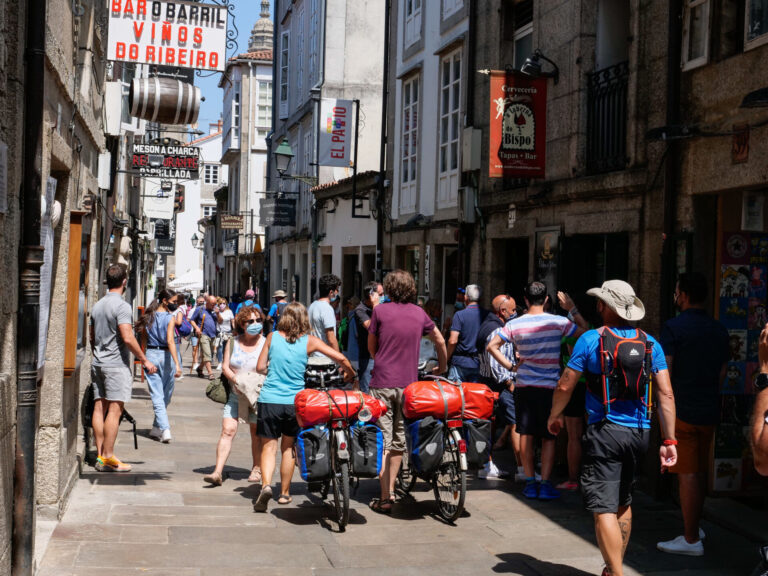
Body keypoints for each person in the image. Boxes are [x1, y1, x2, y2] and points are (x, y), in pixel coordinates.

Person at [548, 280, 678, 576]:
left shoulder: (592, 339)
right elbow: (666, 394)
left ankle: (617, 573)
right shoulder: (650, 343)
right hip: (639, 434)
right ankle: (613, 568)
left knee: (603, 508)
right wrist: (670, 440)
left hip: (604, 432)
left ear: (603, 306)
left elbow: (566, 383)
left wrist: (554, 416)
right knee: (623, 502)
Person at [487, 282, 587, 500]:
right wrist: (572, 309)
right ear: (547, 300)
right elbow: (586, 333)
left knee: (526, 434)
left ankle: (530, 482)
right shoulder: (559, 322)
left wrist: (511, 367)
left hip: (524, 386)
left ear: (524, 299)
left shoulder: (515, 324)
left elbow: (491, 346)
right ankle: (544, 483)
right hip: (550, 388)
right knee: (549, 436)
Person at [253, 302, 355, 512]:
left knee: (268, 447)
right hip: (295, 402)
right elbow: (340, 357)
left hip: (269, 399)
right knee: (288, 448)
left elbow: (260, 367)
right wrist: (350, 373)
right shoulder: (309, 341)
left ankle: (265, 486)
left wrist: (274, 371)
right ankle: (285, 494)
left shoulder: (272, 338)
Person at [656, 273, 729, 556]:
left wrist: (664, 407)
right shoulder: (718, 329)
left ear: (683, 295)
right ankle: (693, 526)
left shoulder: (674, 327)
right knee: (696, 472)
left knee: (686, 475)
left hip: (682, 410)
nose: (675, 296)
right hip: (708, 408)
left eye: (676, 292)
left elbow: (667, 370)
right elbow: (722, 371)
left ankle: (690, 539)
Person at [367, 269, 448, 513]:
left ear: (389, 289)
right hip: (409, 385)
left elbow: (372, 347)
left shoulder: (380, 311)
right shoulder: (419, 313)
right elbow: (440, 341)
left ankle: (384, 496)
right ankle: (391, 489)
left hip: (382, 382)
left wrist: (381, 360)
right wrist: (442, 366)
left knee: (383, 438)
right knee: (399, 439)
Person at [89, 264, 158, 472]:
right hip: (115, 364)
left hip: (98, 362)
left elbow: (92, 337)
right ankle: (109, 456)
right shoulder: (122, 306)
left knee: (99, 407)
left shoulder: (98, 305)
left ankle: (100, 456)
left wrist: (98, 353)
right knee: (115, 409)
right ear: (124, 282)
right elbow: (127, 337)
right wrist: (144, 360)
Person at [204, 306, 268, 486]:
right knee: (227, 430)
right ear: (242, 324)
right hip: (235, 394)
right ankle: (217, 471)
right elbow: (225, 366)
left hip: (257, 395)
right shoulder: (232, 342)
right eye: (251, 321)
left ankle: (256, 468)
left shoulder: (266, 343)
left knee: (256, 433)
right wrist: (236, 380)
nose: (255, 324)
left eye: (258, 321)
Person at [477, 294, 519, 479]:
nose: (515, 313)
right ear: (503, 311)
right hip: (500, 385)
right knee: (517, 423)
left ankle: (486, 465)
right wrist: (510, 384)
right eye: (513, 310)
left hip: (490, 384)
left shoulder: (489, 324)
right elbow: (496, 365)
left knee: (491, 424)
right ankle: (524, 469)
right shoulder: (495, 330)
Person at [135, 289, 183, 443]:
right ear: (164, 301)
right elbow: (170, 341)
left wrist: (144, 357)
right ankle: (165, 428)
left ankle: (156, 427)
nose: (175, 305)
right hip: (166, 356)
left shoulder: (149, 316)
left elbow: (143, 339)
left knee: (162, 396)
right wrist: (177, 363)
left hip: (152, 355)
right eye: (174, 302)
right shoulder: (169, 317)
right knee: (162, 395)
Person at [447, 284, 488, 383]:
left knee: (456, 396)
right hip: (479, 363)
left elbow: (452, 341)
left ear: (465, 298)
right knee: (474, 397)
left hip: (460, 363)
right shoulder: (487, 315)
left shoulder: (459, 315)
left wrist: (446, 358)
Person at [354, 282, 383, 393]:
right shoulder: (360, 310)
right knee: (368, 392)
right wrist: (376, 306)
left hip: (382, 355)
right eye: (380, 294)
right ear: (371, 295)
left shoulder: (382, 307)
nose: (382, 297)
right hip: (368, 358)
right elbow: (371, 327)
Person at [308, 274, 342, 358]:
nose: (337, 292)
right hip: (323, 358)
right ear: (331, 292)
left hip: (312, 356)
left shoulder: (311, 306)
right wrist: (339, 359)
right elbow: (331, 338)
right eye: (337, 290)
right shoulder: (327, 308)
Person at [190, 295, 222, 380]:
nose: (214, 305)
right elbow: (192, 320)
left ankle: (200, 368)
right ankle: (210, 373)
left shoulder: (215, 311)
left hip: (213, 335)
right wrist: (196, 328)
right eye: (212, 304)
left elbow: (220, 321)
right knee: (207, 354)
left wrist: (218, 314)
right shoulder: (199, 309)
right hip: (203, 334)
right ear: (206, 302)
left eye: (215, 304)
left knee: (209, 356)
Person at [215, 298, 235, 370]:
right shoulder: (217, 312)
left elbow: (232, 320)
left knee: (227, 348)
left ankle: (226, 362)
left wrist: (234, 329)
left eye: (224, 303)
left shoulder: (229, 312)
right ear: (218, 304)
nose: (222, 305)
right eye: (220, 303)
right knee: (220, 348)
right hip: (219, 332)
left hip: (228, 332)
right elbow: (219, 321)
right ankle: (220, 362)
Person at [189, 296, 204, 375]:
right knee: (195, 348)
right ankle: (195, 362)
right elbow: (189, 320)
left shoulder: (205, 310)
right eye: (200, 301)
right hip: (194, 332)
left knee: (202, 349)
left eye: (203, 301)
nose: (201, 303)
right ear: (197, 302)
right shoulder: (192, 310)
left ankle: (200, 362)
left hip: (203, 332)